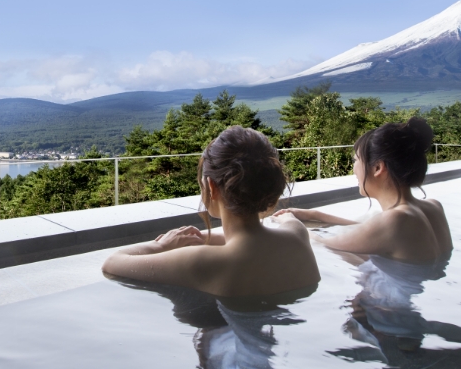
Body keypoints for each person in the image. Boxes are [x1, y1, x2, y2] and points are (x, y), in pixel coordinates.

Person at [102, 125, 320, 297]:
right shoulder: (297, 234)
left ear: (212, 187)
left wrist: (161, 245)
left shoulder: (200, 261)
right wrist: (205, 238)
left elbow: (112, 263)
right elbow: (251, 242)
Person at [274, 117, 452, 264]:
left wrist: (289, 222)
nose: (353, 169)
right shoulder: (433, 207)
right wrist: (314, 214)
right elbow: (366, 230)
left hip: (388, 306)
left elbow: (323, 243)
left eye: (355, 161)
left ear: (377, 168)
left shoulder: (395, 220)